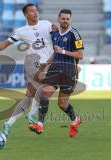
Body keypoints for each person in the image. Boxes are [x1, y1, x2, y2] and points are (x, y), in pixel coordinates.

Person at [0, 3, 56, 136]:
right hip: (33, 63)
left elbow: (57, 35)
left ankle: (8, 123)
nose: (35, 13)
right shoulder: (22, 31)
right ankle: (33, 115)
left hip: (46, 64)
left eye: (36, 10)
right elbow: (5, 44)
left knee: (28, 97)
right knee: (46, 82)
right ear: (26, 15)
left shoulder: (46, 24)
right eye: (32, 11)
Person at [29, 9, 84, 137]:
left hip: (69, 71)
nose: (65, 21)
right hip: (55, 69)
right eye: (63, 18)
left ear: (70, 20)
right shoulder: (54, 34)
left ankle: (75, 120)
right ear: (59, 19)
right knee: (45, 94)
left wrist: (63, 52)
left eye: (67, 19)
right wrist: (46, 64)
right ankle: (39, 124)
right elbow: (55, 52)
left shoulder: (74, 34)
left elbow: (80, 55)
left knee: (62, 104)